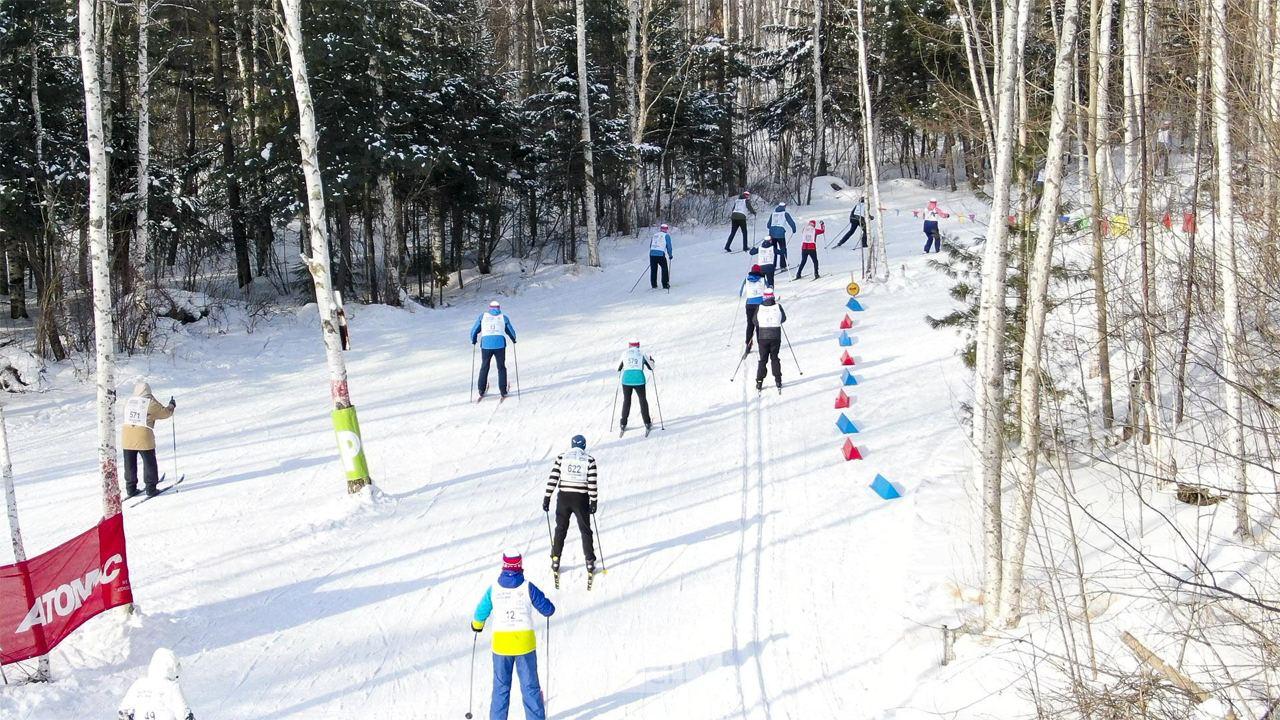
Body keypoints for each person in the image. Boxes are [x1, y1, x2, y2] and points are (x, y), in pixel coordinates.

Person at [472, 551, 555, 720]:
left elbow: (481, 612)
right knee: (530, 686)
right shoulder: (527, 587)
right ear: (519, 565)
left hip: (502, 647)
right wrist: (547, 609)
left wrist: (477, 626)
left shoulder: (494, 589)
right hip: (524, 646)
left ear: (504, 565)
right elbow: (548, 609)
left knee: (501, 688)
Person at [543, 435, 598, 586]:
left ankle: (555, 559)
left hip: (564, 498)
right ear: (584, 446)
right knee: (585, 530)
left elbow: (553, 478)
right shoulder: (589, 460)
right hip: (580, 498)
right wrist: (594, 501)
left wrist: (547, 497)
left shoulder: (562, 457)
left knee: (560, 529)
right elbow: (592, 482)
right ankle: (589, 561)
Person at [122, 382, 176, 498]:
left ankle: (130, 488)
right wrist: (171, 405)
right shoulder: (149, 403)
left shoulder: (129, 401)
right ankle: (151, 487)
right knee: (149, 461)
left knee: (129, 463)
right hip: (143, 435)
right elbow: (165, 413)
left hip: (127, 435)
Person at [118, 648, 195, 720]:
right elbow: (185, 715)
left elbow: (124, 713)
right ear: (172, 667)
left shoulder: (138, 685)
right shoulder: (172, 687)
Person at [470, 300, 517, 400]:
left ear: (489, 308)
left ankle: (481, 389)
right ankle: (503, 390)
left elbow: (474, 330)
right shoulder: (503, 317)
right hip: (499, 345)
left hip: (486, 345)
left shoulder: (483, 316)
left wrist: (473, 340)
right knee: (501, 367)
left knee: (485, 366)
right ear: (499, 308)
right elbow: (511, 331)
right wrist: (513, 339)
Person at [617, 339, 654, 435]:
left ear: (629, 345)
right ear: (638, 345)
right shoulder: (642, 353)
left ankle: (623, 423)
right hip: (639, 380)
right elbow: (651, 367)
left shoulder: (624, 353)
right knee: (642, 400)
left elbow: (617, 367)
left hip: (626, 380)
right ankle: (647, 422)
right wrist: (652, 361)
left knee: (627, 400)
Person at [754, 289, 787, 392]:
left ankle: (759, 381)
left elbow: (754, 321)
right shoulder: (778, 306)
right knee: (775, 358)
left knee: (763, 359)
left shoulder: (759, 307)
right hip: (775, 336)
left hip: (763, 337)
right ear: (772, 296)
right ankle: (778, 380)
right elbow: (783, 319)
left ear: (764, 297)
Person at [738, 265, 766, 352]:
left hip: (749, 305)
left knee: (750, 325)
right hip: (760, 305)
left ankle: (748, 345)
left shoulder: (746, 279)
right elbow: (769, 290)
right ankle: (761, 345)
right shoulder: (762, 279)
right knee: (759, 325)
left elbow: (741, 293)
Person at [766, 203, 797, 269]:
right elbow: (791, 222)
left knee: (773, 250)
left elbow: (768, 225)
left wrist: (773, 229)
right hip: (780, 235)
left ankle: (773, 266)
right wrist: (794, 229)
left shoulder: (773, 214)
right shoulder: (785, 214)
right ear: (784, 207)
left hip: (771, 234)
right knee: (783, 249)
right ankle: (783, 265)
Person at [650, 223, 674, 289]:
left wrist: (653, 253)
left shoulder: (655, 235)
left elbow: (651, 245)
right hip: (660, 254)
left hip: (652, 254)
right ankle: (665, 284)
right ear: (666, 229)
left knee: (653, 269)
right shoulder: (666, 236)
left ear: (660, 229)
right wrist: (670, 255)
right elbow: (669, 246)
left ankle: (653, 284)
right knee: (664, 269)